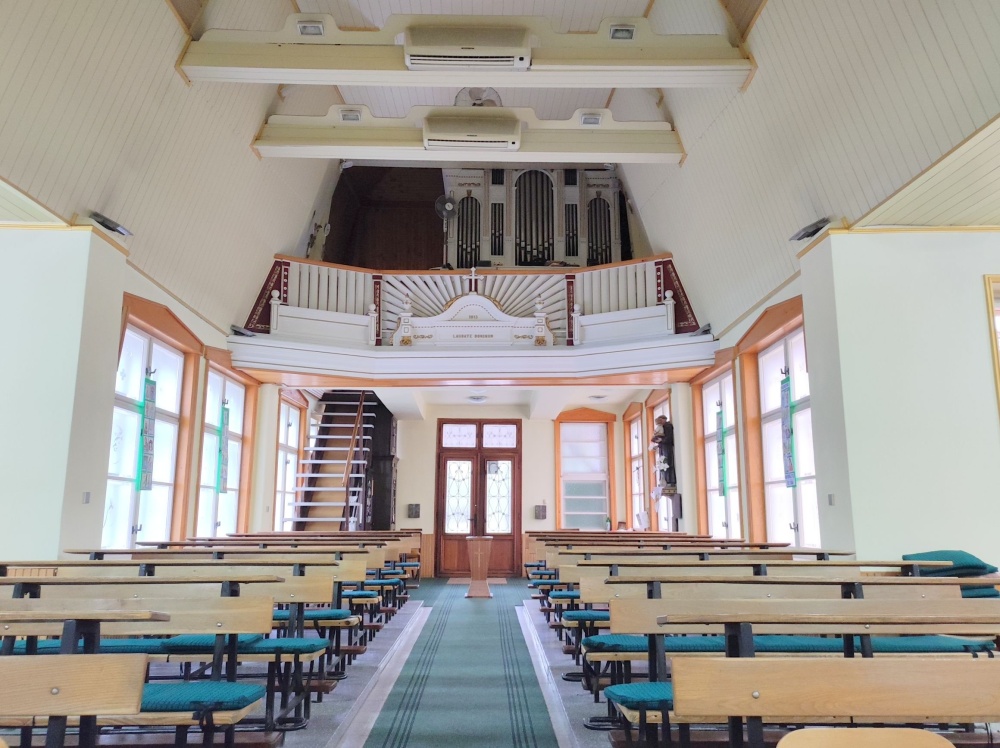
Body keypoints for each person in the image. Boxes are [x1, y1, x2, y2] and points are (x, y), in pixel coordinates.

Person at [650, 415, 677, 494]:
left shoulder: (668, 426)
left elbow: (668, 438)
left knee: (667, 463)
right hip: (662, 447)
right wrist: (657, 441)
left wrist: (661, 440)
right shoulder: (661, 427)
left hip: (667, 447)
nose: (660, 422)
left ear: (664, 419)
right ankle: (663, 480)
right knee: (662, 463)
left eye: (661, 420)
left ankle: (669, 481)